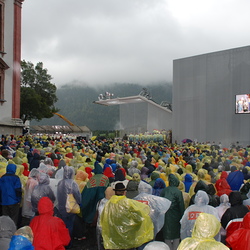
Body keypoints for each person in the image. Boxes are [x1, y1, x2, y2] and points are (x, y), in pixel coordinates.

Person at [100, 182, 154, 250]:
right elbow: (140, 218)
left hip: (114, 238)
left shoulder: (108, 204)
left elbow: (103, 220)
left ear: (115, 191)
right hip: (128, 238)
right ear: (124, 192)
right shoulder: (128, 203)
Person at [57, 165, 81, 246]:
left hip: (61, 208)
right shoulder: (73, 183)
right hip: (71, 208)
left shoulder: (60, 183)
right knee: (70, 225)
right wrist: (79, 203)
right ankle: (68, 242)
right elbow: (77, 195)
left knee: (63, 225)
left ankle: (62, 241)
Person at [160, 174, 185, 250]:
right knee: (176, 235)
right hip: (176, 216)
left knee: (167, 234)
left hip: (166, 216)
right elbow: (181, 205)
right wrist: (182, 217)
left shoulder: (164, 191)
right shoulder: (178, 192)